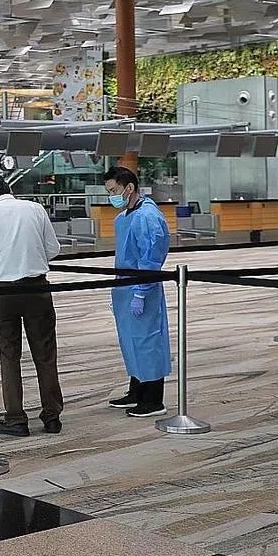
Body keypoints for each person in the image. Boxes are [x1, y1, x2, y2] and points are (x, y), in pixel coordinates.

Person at [0, 174, 64, 437]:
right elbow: (53, 249)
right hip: (37, 289)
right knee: (45, 354)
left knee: (9, 356)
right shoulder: (35, 209)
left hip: (3, 293)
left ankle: (15, 418)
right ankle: (52, 416)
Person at [104, 166, 171, 418]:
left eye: (114, 190)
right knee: (130, 339)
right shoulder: (124, 218)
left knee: (147, 340)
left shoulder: (147, 217)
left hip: (142, 287)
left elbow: (151, 257)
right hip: (125, 287)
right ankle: (137, 389)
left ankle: (153, 399)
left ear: (129, 188)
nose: (111, 196)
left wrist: (141, 292)